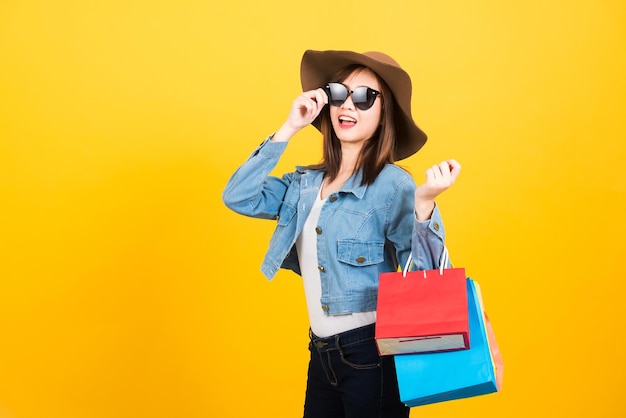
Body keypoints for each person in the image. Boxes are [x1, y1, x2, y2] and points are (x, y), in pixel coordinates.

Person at [222, 50, 461, 418]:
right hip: (321, 353)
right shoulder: (304, 184)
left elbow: (426, 278)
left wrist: (425, 204)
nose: (347, 105)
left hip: (373, 354)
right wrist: (289, 127)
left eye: (364, 97)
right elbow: (238, 196)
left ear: (385, 114)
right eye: (338, 93)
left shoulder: (393, 186)